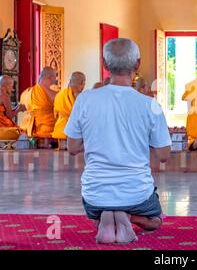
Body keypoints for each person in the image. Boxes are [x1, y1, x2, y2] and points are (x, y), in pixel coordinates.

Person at [65, 38, 171, 245]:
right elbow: (164, 156)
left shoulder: (85, 99)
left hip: (95, 192)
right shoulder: (150, 104)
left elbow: (72, 148)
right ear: (137, 65)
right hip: (136, 191)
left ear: (105, 65)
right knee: (156, 221)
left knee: (98, 205)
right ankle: (128, 217)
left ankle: (106, 216)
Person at [20, 67, 58, 146]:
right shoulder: (54, 95)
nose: (56, 79)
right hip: (46, 134)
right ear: (50, 77)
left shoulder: (26, 93)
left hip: (28, 133)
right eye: (55, 76)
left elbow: (22, 108)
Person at [52, 72, 86, 140]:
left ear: (70, 81)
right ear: (82, 83)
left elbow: (55, 114)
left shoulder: (59, 95)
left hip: (59, 131)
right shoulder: (80, 96)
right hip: (73, 133)